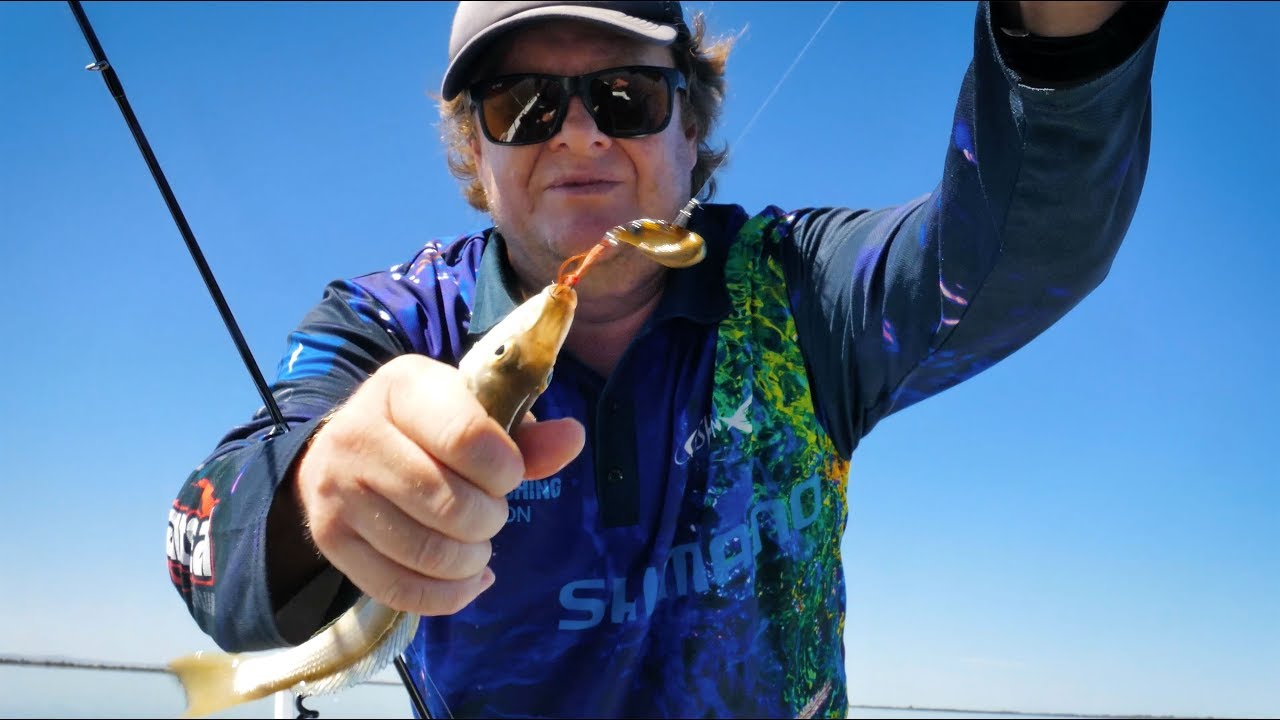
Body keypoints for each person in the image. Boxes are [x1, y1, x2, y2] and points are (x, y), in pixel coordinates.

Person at [166, 1, 1168, 717]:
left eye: (626, 94)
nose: (580, 136)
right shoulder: (387, 322)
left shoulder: (798, 293)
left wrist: (1064, 27)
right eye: (522, 106)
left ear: (693, 124)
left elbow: (1022, 245)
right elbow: (212, 536)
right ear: (475, 149)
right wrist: (316, 491)